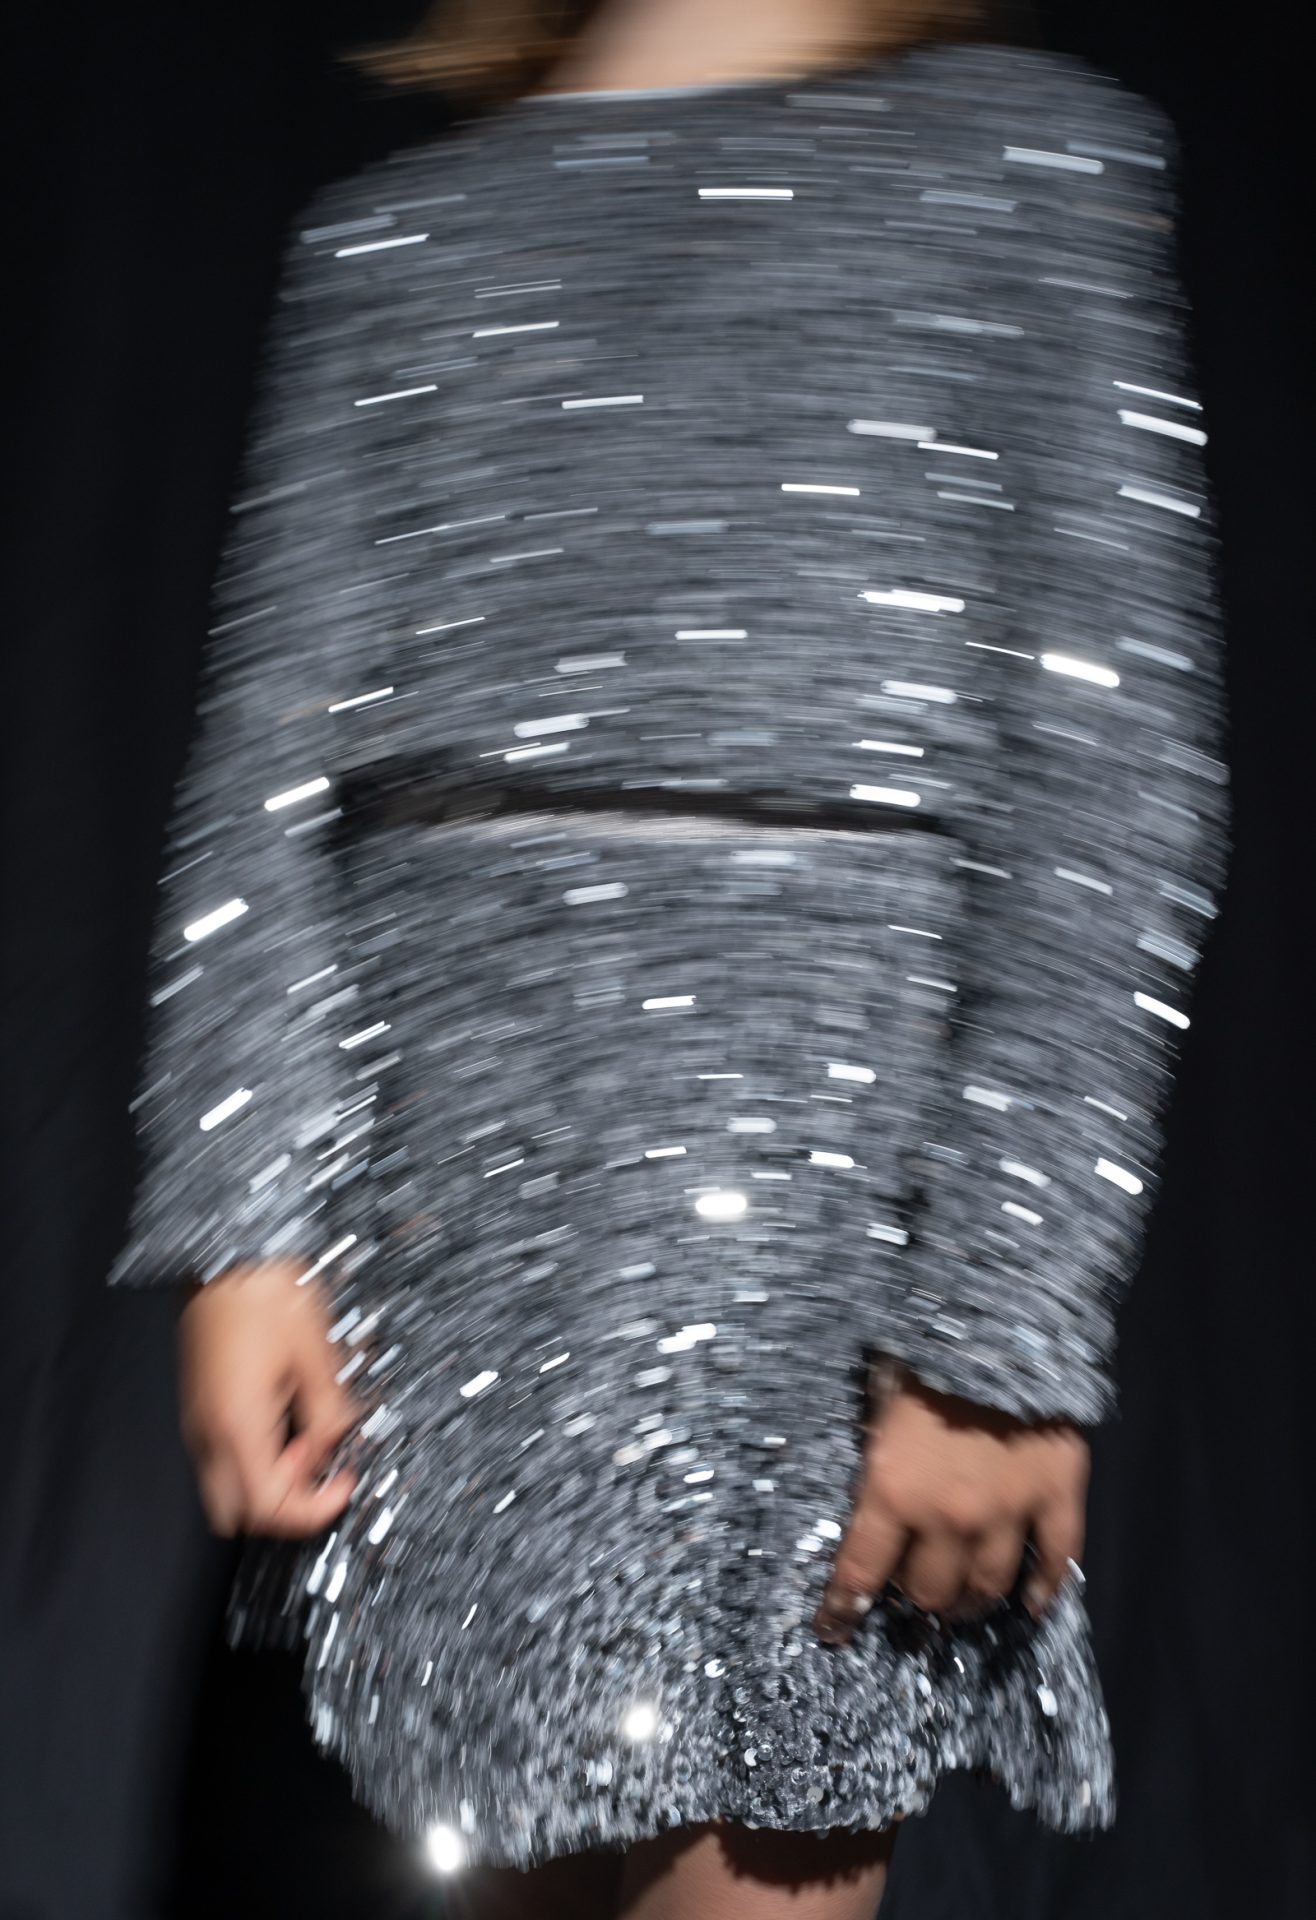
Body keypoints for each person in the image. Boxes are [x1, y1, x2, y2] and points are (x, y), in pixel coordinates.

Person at [110, 1, 1227, 1914]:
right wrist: (243, 1221)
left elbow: (1104, 792)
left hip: (820, 1243)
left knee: (757, 1826)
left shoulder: (1019, 166)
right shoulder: (399, 240)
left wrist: (998, 1332)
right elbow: (271, 779)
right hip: (457, 1240)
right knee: (466, 1828)